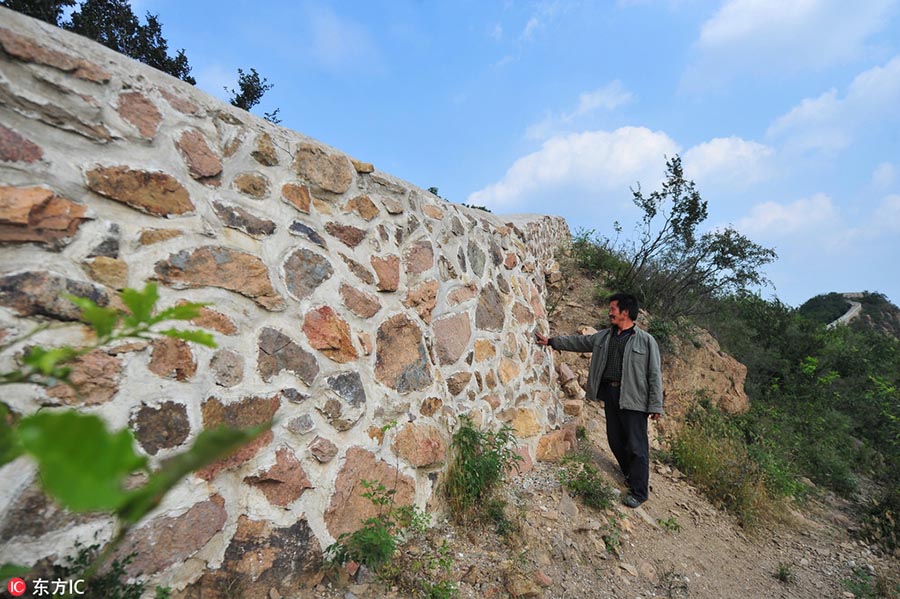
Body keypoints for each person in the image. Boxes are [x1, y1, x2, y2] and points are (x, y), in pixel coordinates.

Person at [534, 292, 663, 508]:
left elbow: (654, 374)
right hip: (611, 394)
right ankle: (631, 475)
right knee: (614, 439)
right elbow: (579, 341)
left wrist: (655, 404)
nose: (609, 312)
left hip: (635, 399)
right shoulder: (604, 336)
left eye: (613, 309)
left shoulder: (646, 341)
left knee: (637, 446)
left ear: (625, 312)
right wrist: (552, 341)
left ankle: (639, 492)